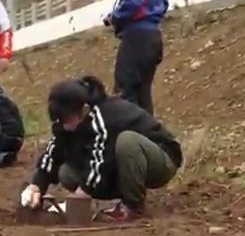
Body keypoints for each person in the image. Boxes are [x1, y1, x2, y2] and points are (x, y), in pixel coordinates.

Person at [21, 75, 182, 222]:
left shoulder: (106, 117)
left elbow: (102, 161)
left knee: (127, 141)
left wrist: (79, 197)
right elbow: (54, 152)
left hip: (161, 159)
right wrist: (36, 186)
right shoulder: (68, 122)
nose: (63, 125)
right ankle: (120, 200)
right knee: (67, 173)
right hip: (123, 161)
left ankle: (135, 208)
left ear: (84, 110)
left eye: (66, 120)